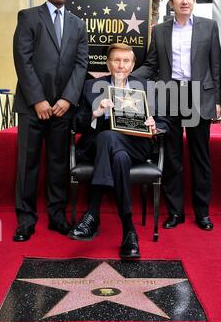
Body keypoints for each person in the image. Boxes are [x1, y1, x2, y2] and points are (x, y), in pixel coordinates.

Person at [69, 43, 168, 258]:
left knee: (111, 141)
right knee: (114, 150)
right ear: (108, 63)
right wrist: (96, 113)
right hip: (103, 148)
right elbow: (77, 122)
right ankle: (129, 230)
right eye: (116, 60)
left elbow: (164, 122)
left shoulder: (147, 87)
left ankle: (92, 213)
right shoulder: (91, 87)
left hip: (137, 146)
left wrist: (154, 124)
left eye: (126, 61)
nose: (121, 65)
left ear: (132, 65)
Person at [135, 0, 221, 230]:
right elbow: (151, 65)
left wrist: (218, 100)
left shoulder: (209, 27)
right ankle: (175, 212)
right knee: (172, 157)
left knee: (200, 157)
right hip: (169, 93)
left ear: (193, 0)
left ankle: (203, 213)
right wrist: (127, 76)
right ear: (171, 3)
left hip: (198, 96)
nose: (184, 1)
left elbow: (216, 65)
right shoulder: (160, 30)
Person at [12, 0, 88, 242]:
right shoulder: (29, 17)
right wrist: (38, 99)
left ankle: (57, 216)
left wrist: (67, 99)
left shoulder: (78, 25)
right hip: (33, 106)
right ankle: (25, 219)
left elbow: (81, 65)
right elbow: (23, 59)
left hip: (62, 109)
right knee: (27, 164)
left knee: (58, 164)